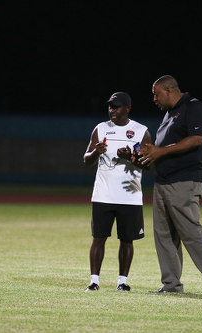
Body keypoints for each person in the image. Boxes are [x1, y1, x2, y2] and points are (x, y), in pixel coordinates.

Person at [139, 75, 202, 295]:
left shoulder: (193, 107)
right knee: (164, 235)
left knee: (190, 231)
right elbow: (163, 147)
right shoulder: (169, 114)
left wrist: (160, 151)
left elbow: (195, 139)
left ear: (169, 90)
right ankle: (171, 284)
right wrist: (145, 155)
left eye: (156, 93)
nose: (154, 98)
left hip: (184, 180)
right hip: (163, 181)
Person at [83, 91, 152, 292]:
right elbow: (86, 160)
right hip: (103, 195)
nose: (112, 110)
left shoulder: (140, 131)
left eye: (117, 106)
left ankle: (122, 282)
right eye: (110, 106)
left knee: (127, 240)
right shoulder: (101, 128)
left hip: (130, 196)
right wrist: (96, 151)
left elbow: (149, 165)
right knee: (99, 237)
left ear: (128, 108)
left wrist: (131, 157)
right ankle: (94, 281)